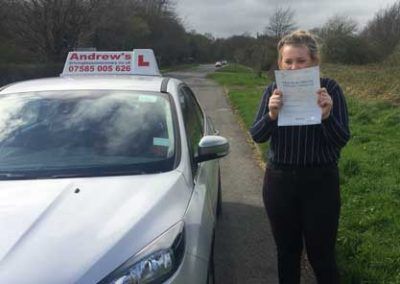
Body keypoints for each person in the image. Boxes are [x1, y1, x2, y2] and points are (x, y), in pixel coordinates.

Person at [250, 30, 350, 284]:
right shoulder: (273, 90)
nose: (294, 67)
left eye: (301, 61)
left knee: (321, 255)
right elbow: (258, 135)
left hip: (321, 182)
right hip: (280, 182)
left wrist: (326, 116)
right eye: (288, 62)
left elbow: (341, 138)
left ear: (314, 62)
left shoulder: (331, 89)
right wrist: (271, 115)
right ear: (280, 63)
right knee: (287, 252)